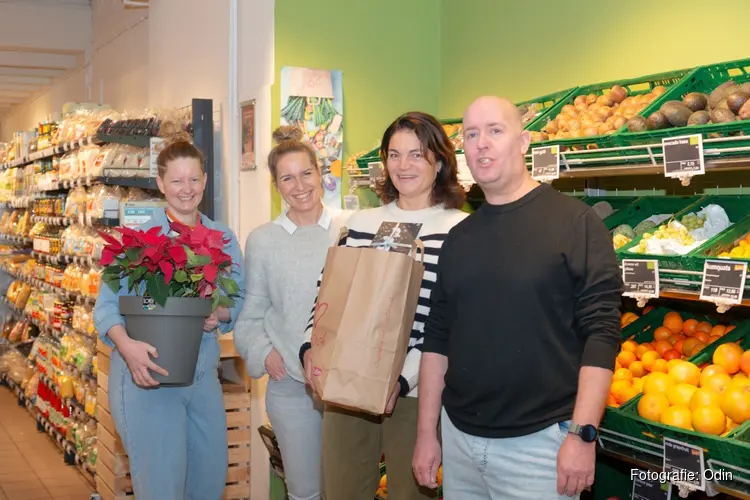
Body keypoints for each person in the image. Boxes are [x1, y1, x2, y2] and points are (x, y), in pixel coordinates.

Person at [412, 95, 623, 500]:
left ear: (524, 142)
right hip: (459, 441)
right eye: (471, 134)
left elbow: (602, 332)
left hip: (540, 447)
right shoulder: (458, 239)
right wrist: (427, 434)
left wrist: (582, 435)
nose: (481, 144)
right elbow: (436, 338)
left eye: (495, 131)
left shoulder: (575, 223)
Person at [299, 111, 469, 500]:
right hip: (347, 384)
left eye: (416, 154)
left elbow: (450, 323)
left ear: (439, 161)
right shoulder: (362, 222)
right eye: (395, 154)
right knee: (341, 490)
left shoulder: (459, 229)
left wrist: (403, 378)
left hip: (415, 392)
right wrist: (310, 346)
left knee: (412, 492)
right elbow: (329, 293)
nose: (403, 165)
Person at [93, 137, 246, 500]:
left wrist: (217, 313)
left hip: (201, 379)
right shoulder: (139, 239)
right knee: (161, 488)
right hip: (149, 378)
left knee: (207, 483)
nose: (186, 189)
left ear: (205, 181)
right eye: (176, 181)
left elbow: (235, 303)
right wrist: (127, 346)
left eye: (193, 179)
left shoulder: (222, 239)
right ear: (160, 183)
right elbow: (106, 307)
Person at [233, 125, 350, 500]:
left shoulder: (349, 229)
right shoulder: (264, 240)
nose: (299, 185)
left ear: (320, 173)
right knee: (305, 491)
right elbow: (251, 315)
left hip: (349, 386)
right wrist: (264, 354)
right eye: (287, 177)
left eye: (306, 173)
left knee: (349, 488)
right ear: (276, 185)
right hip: (291, 387)